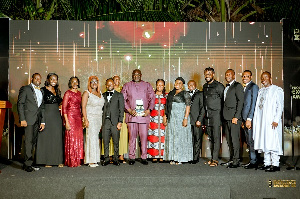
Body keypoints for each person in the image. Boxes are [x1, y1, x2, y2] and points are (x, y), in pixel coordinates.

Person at [121, 69, 155, 165]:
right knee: (132, 137)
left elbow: (152, 98)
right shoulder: (127, 85)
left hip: (143, 117)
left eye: (138, 74)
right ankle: (132, 157)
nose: (136, 76)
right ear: (132, 75)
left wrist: (149, 110)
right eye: (134, 74)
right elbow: (122, 99)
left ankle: (144, 157)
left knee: (144, 137)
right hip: (132, 116)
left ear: (141, 75)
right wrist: (129, 110)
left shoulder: (147, 85)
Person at [253, 71, 284, 172]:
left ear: (270, 78)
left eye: (266, 77)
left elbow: (280, 106)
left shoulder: (276, 90)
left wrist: (276, 120)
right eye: (262, 78)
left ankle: (275, 164)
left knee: (273, 142)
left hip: (272, 121)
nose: (263, 79)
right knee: (265, 141)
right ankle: (267, 163)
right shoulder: (261, 91)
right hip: (262, 121)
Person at [17, 73, 45, 172]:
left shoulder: (41, 90)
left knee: (34, 141)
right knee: (28, 141)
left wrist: (43, 122)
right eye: (36, 78)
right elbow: (20, 104)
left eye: (39, 79)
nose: (38, 80)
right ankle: (27, 164)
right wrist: (22, 119)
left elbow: (42, 107)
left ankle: (31, 162)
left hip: (37, 120)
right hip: (28, 119)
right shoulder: (25, 89)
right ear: (32, 79)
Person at [36, 73, 64, 168]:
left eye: (55, 79)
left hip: (56, 115)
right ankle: (47, 160)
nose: (53, 81)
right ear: (48, 80)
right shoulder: (42, 90)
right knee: (47, 138)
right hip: (47, 114)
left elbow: (60, 102)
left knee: (57, 137)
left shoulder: (57, 90)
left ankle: (58, 160)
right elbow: (41, 105)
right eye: (52, 79)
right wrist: (42, 120)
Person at [163, 77, 193, 165]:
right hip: (172, 118)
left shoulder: (185, 93)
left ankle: (180, 158)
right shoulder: (171, 93)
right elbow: (167, 106)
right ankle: (172, 157)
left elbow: (188, 106)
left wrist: (185, 118)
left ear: (182, 85)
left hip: (181, 118)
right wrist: (166, 116)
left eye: (179, 83)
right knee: (172, 136)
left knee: (180, 137)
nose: (177, 84)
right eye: (176, 82)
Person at [222, 69, 244, 168]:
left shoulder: (238, 86)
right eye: (226, 74)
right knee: (229, 140)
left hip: (234, 117)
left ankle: (236, 161)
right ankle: (231, 159)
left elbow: (240, 102)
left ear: (234, 76)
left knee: (235, 140)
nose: (227, 76)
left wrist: (236, 116)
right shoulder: (226, 87)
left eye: (229, 74)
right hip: (226, 117)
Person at [203, 67, 224, 167]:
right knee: (210, 138)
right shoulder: (205, 86)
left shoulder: (219, 86)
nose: (207, 76)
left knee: (216, 138)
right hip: (207, 116)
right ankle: (212, 158)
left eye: (209, 74)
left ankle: (215, 160)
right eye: (206, 74)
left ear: (213, 74)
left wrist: (222, 116)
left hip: (216, 115)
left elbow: (224, 101)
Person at [82, 76, 104, 167]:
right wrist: (85, 119)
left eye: (96, 82)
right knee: (91, 138)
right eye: (92, 82)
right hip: (90, 118)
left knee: (96, 138)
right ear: (89, 83)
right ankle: (91, 160)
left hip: (99, 118)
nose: (94, 83)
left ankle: (95, 159)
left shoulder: (100, 93)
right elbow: (83, 107)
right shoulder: (87, 93)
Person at [102, 78, 125, 166]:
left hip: (115, 122)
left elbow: (121, 109)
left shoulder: (119, 95)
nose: (109, 86)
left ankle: (116, 159)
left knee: (116, 142)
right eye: (108, 84)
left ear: (114, 85)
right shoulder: (103, 95)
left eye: (111, 84)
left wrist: (120, 122)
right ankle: (106, 159)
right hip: (105, 122)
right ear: (106, 85)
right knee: (106, 142)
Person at [62, 76, 84, 167]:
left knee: (78, 138)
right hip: (70, 117)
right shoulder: (67, 93)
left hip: (78, 118)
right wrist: (66, 121)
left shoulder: (79, 93)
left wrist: (82, 118)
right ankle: (71, 161)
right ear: (70, 83)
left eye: (76, 82)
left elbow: (81, 107)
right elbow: (64, 108)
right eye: (73, 82)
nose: (75, 83)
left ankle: (77, 161)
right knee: (71, 139)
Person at [241, 70, 259, 169]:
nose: (245, 78)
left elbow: (253, 104)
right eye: (243, 76)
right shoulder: (245, 87)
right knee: (248, 140)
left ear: (251, 77)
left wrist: (249, 119)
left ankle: (254, 161)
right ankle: (252, 160)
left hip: (250, 118)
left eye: (247, 76)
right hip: (245, 119)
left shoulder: (253, 87)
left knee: (251, 140)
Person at [147, 79, 167, 163]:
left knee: (162, 138)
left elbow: (168, 107)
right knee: (153, 137)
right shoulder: (152, 95)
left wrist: (166, 116)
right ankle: (153, 156)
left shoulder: (166, 96)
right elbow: (147, 107)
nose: (159, 87)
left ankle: (161, 156)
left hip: (162, 119)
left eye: (161, 85)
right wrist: (147, 119)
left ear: (164, 86)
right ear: (156, 85)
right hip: (153, 119)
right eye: (158, 85)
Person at [187, 80, 205, 164]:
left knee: (197, 139)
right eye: (189, 85)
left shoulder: (200, 94)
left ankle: (195, 158)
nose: (190, 86)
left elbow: (203, 108)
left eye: (192, 85)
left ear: (195, 85)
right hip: (188, 121)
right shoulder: (186, 94)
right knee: (190, 140)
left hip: (197, 121)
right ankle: (190, 157)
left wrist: (199, 120)